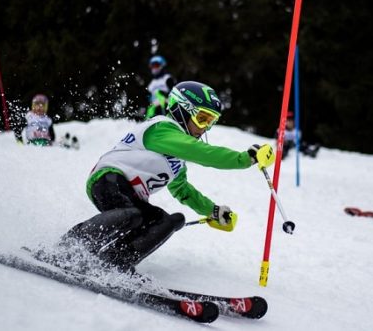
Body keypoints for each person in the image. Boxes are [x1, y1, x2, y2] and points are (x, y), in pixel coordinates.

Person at [57, 80, 276, 272]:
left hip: (131, 196)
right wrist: (245, 158)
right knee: (132, 215)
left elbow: (182, 190)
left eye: (210, 122)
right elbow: (203, 153)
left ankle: (114, 263)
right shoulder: (163, 128)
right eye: (202, 118)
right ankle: (68, 247)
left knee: (167, 221)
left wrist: (213, 211)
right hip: (108, 180)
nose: (204, 128)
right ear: (182, 110)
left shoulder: (177, 160)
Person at [145, 55, 176, 119]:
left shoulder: (167, 78)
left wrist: (165, 95)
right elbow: (149, 96)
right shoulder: (152, 83)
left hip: (166, 103)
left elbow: (174, 91)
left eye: (156, 66)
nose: (154, 68)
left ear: (162, 66)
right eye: (152, 66)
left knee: (158, 94)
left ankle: (165, 117)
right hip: (154, 105)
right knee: (150, 109)